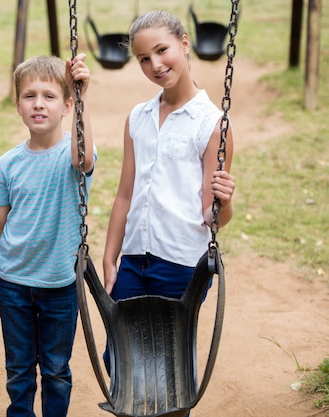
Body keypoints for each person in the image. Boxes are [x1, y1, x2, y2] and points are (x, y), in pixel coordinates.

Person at [101, 10, 236, 374]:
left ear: (185, 43)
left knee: (168, 366)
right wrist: (110, 256)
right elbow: (124, 194)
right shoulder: (138, 117)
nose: (156, 64)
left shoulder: (211, 124)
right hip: (133, 258)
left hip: (180, 262)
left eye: (162, 50)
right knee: (121, 360)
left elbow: (214, 217)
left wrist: (225, 201)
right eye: (144, 58)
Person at [0, 53, 96, 417]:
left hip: (60, 284)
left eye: (49, 96)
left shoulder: (72, 154)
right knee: (18, 369)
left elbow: (83, 159)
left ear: (66, 106)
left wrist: (83, 97)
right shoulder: (8, 163)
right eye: (29, 96)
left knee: (55, 370)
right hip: (14, 282)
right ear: (17, 105)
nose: (38, 104)